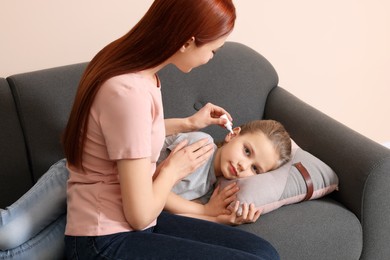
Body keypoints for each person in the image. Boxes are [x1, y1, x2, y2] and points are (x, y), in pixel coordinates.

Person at [61, 0, 280, 259]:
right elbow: (139, 217)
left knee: (263, 252)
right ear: (187, 42)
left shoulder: (139, 72)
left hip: (132, 223)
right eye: (213, 51)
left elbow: (130, 132)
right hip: (103, 238)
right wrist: (172, 170)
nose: (211, 58)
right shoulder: (129, 92)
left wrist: (188, 124)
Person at [160, 119, 292, 225]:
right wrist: (204, 210)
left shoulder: (210, 192)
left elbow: (176, 218)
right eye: (247, 151)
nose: (243, 165)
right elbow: (148, 187)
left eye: (255, 169)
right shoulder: (201, 146)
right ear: (233, 134)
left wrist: (218, 220)